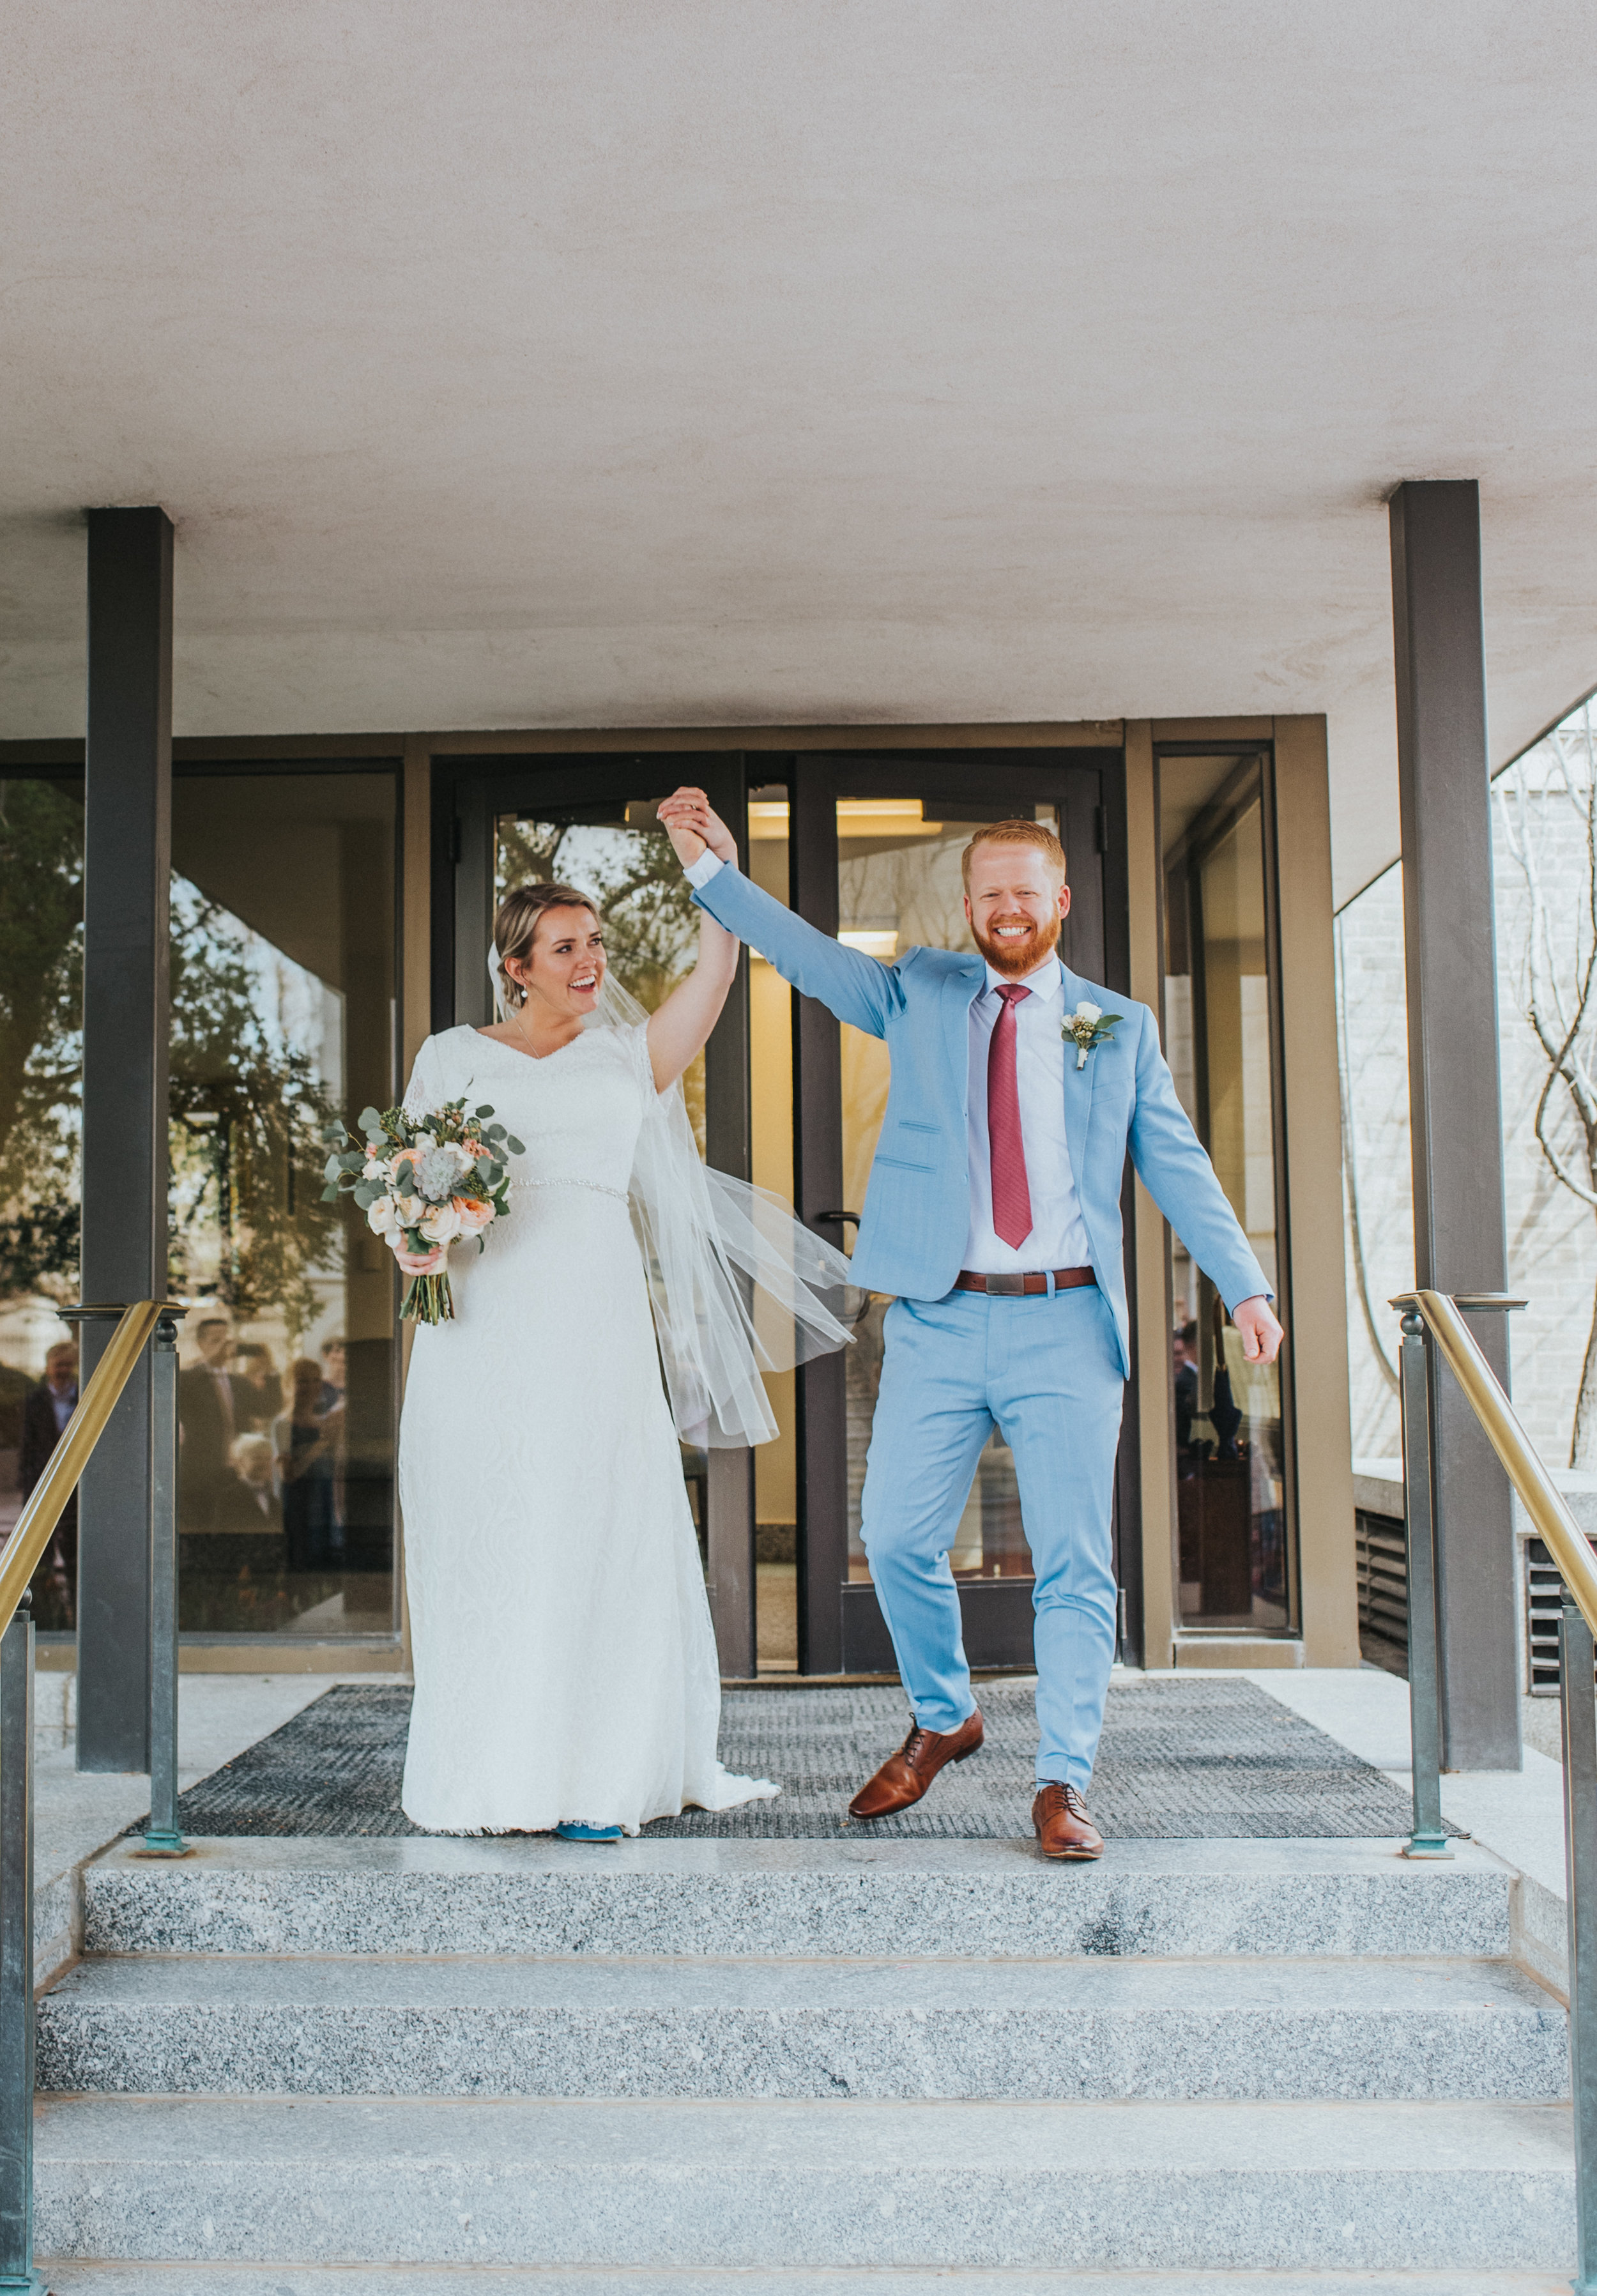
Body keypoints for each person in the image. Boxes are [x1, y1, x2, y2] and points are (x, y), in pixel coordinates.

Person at [657, 787, 1285, 1862]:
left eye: (1024, 891)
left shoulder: (1114, 1025)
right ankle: (946, 1714)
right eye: (988, 890)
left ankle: (1063, 1781)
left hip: (1070, 1319)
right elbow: (806, 954)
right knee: (897, 1535)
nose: (1006, 907)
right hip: (942, 1319)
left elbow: (1175, 1160)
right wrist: (712, 867)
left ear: (1061, 900)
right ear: (968, 901)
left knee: (1076, 1565)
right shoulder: (922, 989)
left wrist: (1246, 1283)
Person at [395, 878, 852, 1839]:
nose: (589, 960)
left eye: (594, 941)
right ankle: (493, 1771)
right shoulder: (449, 1056)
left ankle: (602, 1773)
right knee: (495, 1531)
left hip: (593, 1325)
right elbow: (404, 1179)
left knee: (597, 1528)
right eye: (563, 947)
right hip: (480, 1327)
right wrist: (414, 1233)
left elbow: (718, 966)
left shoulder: (627, 1054)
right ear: (515, 967)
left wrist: (712, 870)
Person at [18, 1340, 79, 1629]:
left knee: (75, 1554)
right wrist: (27, 1487)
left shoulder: (84, 1397)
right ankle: (41, 1617)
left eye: (68, 1365)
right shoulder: (36, 1400)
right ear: (48, 1368)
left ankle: (78, 1616)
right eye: (59, 1365)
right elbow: (27, 1446)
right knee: (40, 1555)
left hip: (77, 1488)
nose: (63, 1371)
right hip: (41, 1485)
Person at [272, 1358, 343, 1572]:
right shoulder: (283, 1424)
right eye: (302, 1381)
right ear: (289, 1385)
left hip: (325, 1501)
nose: (310, 1387)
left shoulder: (323, 1421)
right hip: (299, 1506)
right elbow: (288, 1475)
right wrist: (321, 1444)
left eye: (315, 1380)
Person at [177, 1315, 242, 1531]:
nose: (223, 1347)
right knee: (200, 1528)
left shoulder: (236, 1381)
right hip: (200, 1472)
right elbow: (180, 1391)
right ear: (200, 1344)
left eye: (226, 1340)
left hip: (235, 1469)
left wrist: (268, 1365)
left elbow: (268, 1406)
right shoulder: (189, 1378)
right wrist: (209, 1362)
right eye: (216, 1341)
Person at [216, 1430, 284, 1533]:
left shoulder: (274, 1498)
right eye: (257, 1458)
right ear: (241, 1461)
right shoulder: (229, 1497)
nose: (264, 1463)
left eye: (268, 1458)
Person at [232, 1342, 283, 1430]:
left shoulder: (272, 1376)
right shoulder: (247, 1375)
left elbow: (275, 1402)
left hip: (266, 1416)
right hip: (252, 1417)